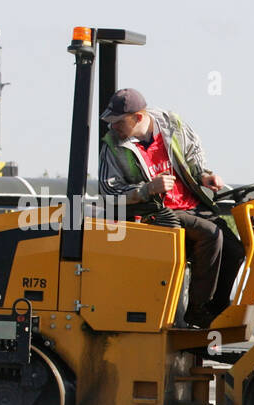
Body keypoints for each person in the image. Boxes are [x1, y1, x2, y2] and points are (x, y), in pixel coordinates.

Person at [97, 88, 243, 328]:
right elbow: (108, 193)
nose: (112, 128)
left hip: (191, 206)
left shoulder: (171, 124)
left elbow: (194, 155)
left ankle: (217, 311)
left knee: (236, 249)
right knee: (210, 235)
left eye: (118, 122)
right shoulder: (113, 148)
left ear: (139, 118)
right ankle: (197, 311)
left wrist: (204, 176)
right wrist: (145, 190)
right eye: (110, 122)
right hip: (154, 213)